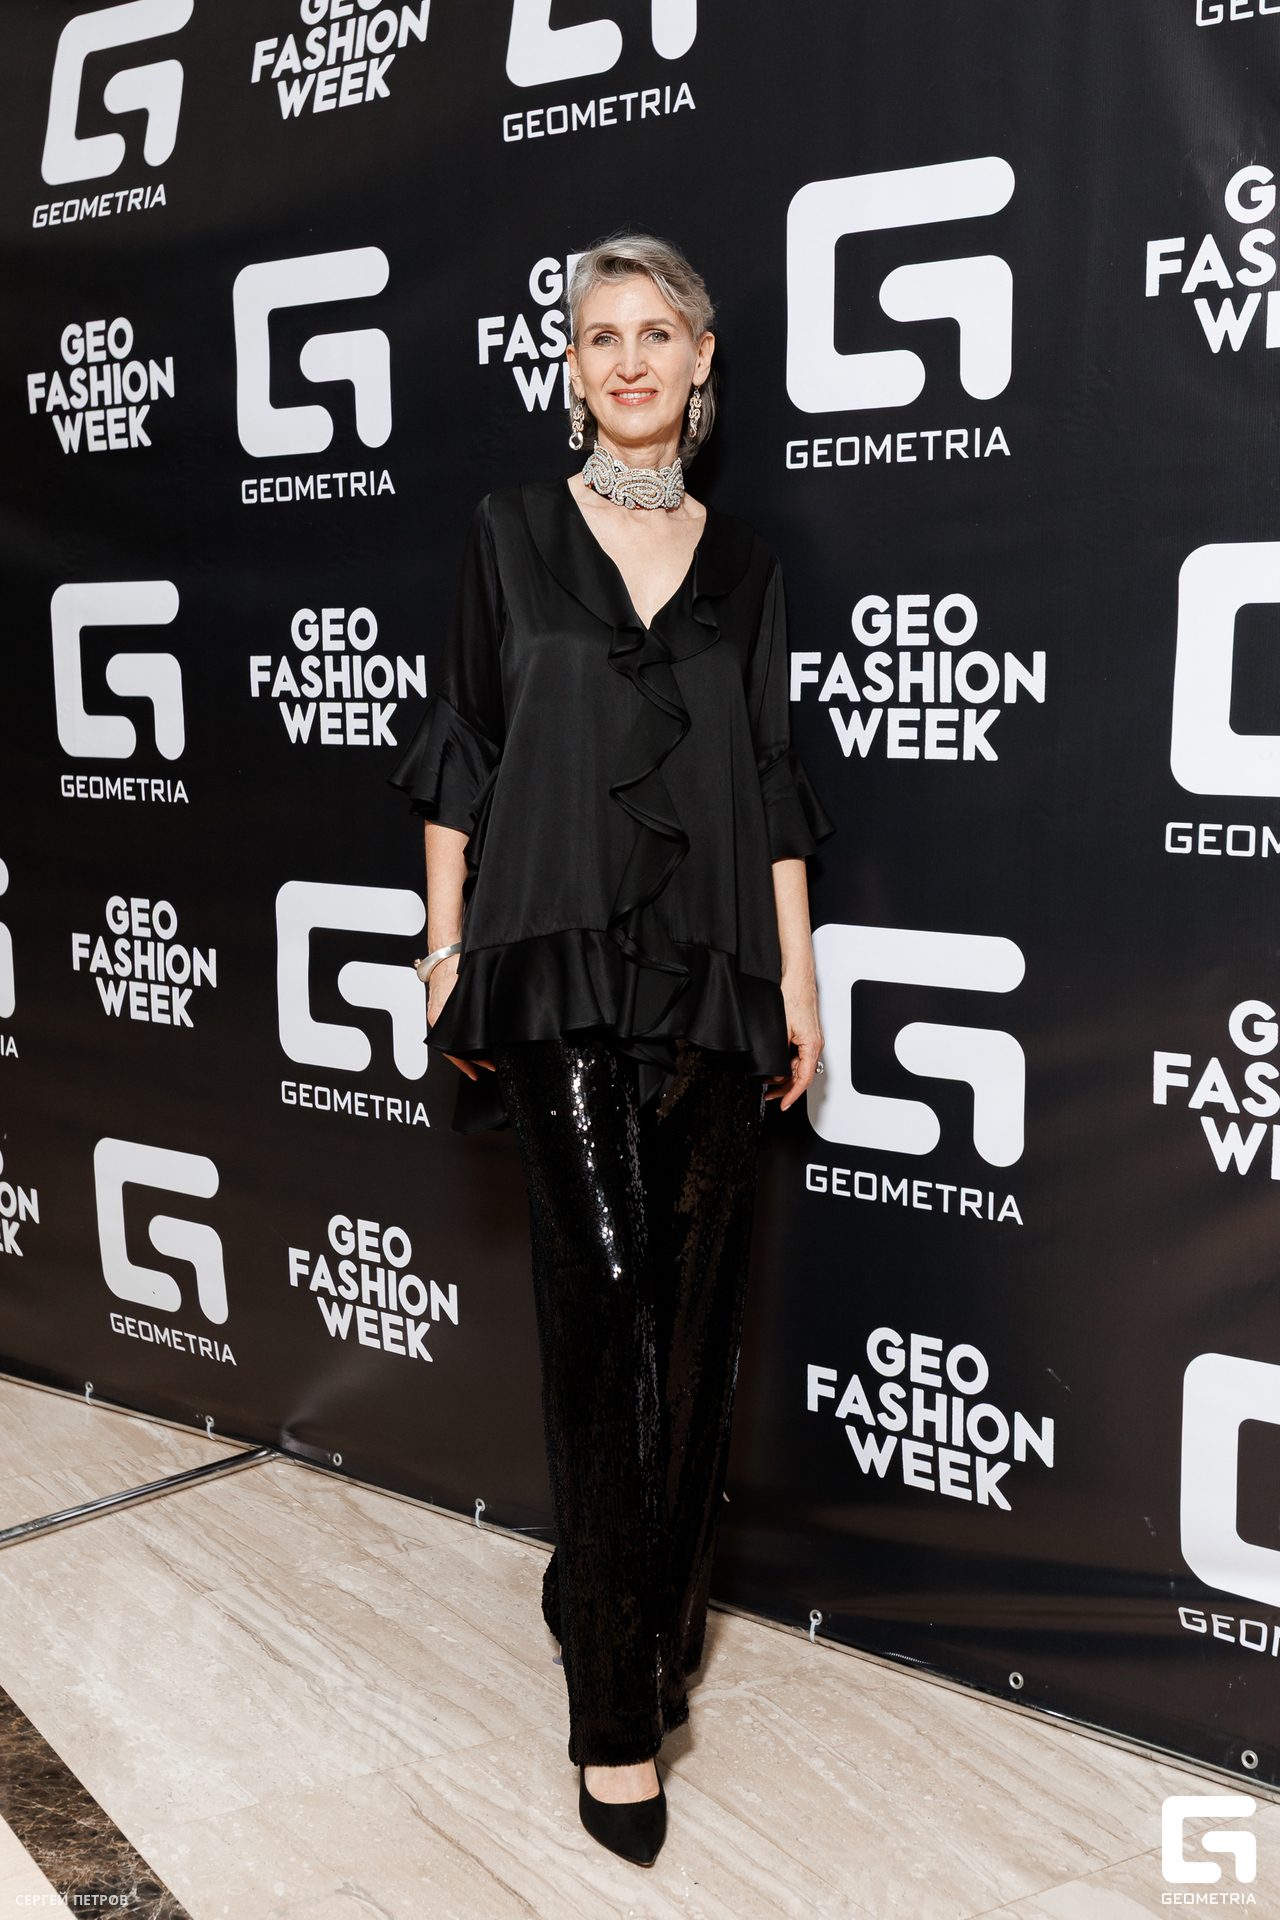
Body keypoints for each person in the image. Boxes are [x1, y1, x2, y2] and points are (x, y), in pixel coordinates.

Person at [389, 233, 831, 1868]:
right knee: (607, 1311)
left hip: (712, 974)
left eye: (657, 333)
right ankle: (616, 1718)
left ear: (703, 361)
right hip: (555, 962)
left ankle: (619, 1591)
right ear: (571, 368)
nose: (629, 359)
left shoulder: (749, 567)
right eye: (600, 336)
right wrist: (445, 949)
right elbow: (467, 750)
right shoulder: (508, 535)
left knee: (697, 1322)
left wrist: (798, 983)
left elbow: (769, 787)